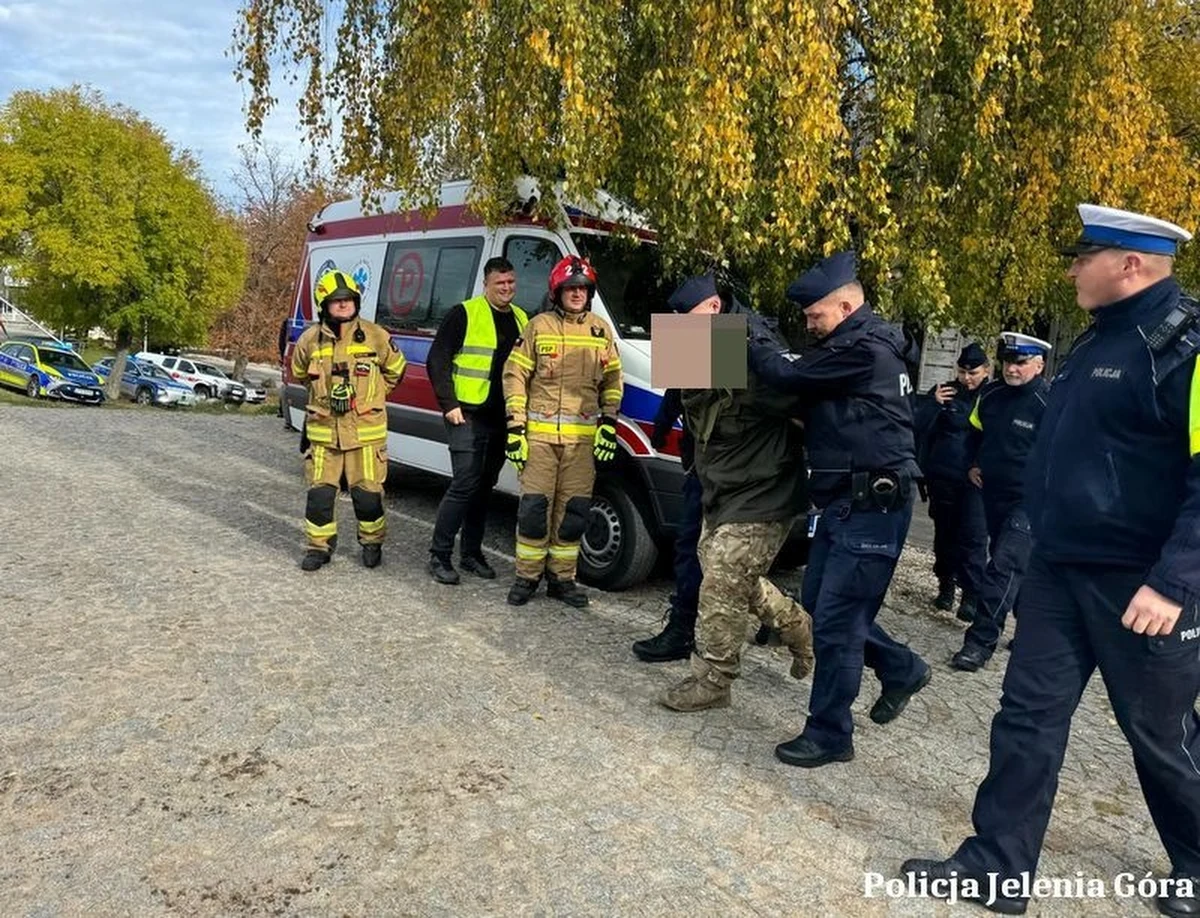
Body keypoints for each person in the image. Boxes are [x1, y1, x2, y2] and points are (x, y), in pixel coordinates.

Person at [902, 204, 1200, 918]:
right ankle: (995, 867)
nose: (1070, 267)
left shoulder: (1185, 348)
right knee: (1026, 720)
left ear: (1130, 264)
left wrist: (1174, 582)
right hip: (1059, 572)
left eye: (1083, 255)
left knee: (1160, 738)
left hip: (1143, 585)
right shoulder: (1097, 342)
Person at [747, 250, 931, 768]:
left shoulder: (862, 350)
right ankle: (900, 667)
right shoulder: (846, 348)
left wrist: (747, 335)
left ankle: (830, 733)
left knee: (837, 623)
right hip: (841, 505)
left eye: (814, 316)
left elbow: (782, 379)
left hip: (867, 505)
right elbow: (690, 382)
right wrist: (719, 339)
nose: (807, 326)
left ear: (847, 307)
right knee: (822, 608)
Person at [658, 274, 815, 712]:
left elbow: (809, 407)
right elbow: (687, 402)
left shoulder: (751, 352)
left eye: (684, 321)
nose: (678, 330)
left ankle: (714, 680)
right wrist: (660, 423)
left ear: (710, 309)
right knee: (725, 575)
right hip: (721, 490)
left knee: (722, 584)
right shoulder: (706, 340)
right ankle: (796, 624)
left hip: (763, 492)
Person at [501, 255, 623, 608]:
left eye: (582, 289)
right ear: (557, 291)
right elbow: (514, 377)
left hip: (581, 444)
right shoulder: (539, 327)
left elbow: (613, 381)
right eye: (570, 288)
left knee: (573, 514)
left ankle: (562, 580)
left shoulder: (601, 330)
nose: (576, 294)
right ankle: (527, 578)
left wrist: (609, 424)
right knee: (535, 512)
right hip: (539, 441)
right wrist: (515, 429)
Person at [290, 269, 407, 570]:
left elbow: (396, 370)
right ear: (323, 305)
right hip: (324, 435)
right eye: (336, 301)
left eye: (348, 300)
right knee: (319, 496)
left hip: (365, 434)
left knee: (368, 497)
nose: (343, 305)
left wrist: (373, 399)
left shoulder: (376, 336)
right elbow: (300, 373)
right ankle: (319, 548)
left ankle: (372, 543)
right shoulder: (309, 341)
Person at [949, 332, 1050, 672]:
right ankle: (1033, 630)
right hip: (992, 494)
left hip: (1031, 501)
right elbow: (974, 433)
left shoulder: (1049, 402)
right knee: (1017, 569)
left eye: (1020, 362)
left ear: (1039, 364)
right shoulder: (990, 395)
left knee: (1003, 566)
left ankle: (978, 644)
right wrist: (972, 464)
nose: (1012, 368)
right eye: (1008, 361)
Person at [425, 257, 529, 584]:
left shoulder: (522, 318)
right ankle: (439, 555)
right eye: (500, 283)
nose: (507, 289)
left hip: (502, 417)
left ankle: (471, 553)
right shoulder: (464, 313)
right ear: (486, 284)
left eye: (511, 282)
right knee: (465, 484)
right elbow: (437, 359)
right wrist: (448, 403)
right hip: (466, 415)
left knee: (484, 488)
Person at [913, 344, 990, 620]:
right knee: (945, 536)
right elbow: (919, 427)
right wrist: (932, 404)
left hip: (975, 481)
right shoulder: (944, 392)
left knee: (973, 537)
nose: (967, 378)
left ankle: (970, 595)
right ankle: (945, 585)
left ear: (986, 371)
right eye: (963, 371)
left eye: (973, 372)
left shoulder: (992, 397)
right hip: (943, 476)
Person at [631, 384, 703, 662]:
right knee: (708, 555)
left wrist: (660, 430)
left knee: (696, 551)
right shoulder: (717, 342)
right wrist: (660, 430)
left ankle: (684, 630)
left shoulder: (731, 343)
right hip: (708, 467)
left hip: (721, 471)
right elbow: (677, 390)